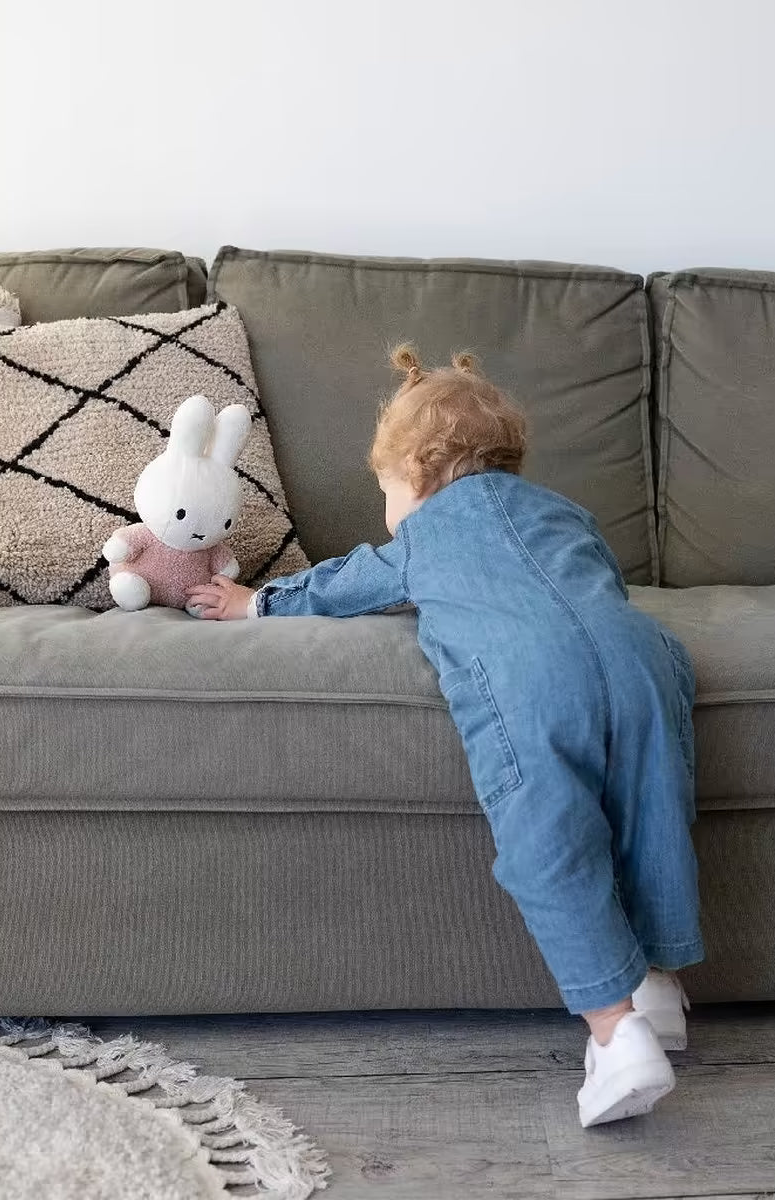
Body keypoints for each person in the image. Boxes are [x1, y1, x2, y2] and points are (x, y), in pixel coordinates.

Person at [187, 345, 702, 1127]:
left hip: (533, 679)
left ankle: (617, 1034)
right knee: (651, 808)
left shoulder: (424, 535)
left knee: (551, 841)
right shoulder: (566, 514)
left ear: (418, 478)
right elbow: (592, 582)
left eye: (386, 490)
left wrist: (257, 603)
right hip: (642, 660)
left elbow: (349, 582)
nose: (389, 508)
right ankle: (660, 984)